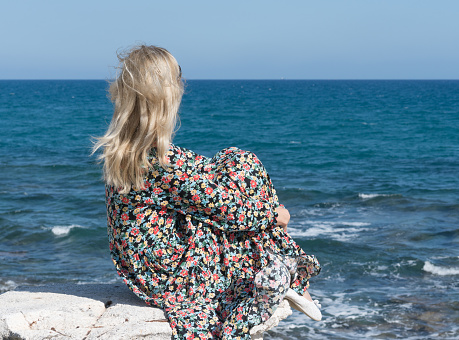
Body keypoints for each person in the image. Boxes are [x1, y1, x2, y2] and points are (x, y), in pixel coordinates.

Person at [93, 45, 321, 339]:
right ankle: (288, 270)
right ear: (165, 96)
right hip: (167, 274)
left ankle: (283, 266)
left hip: (144, 265)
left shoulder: (129, 149)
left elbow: (203, 173)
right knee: (240, 199)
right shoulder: (160, 164)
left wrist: (236, 167)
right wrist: (276, 214)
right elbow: (227, 211)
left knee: (239, 160)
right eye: (177, 79)